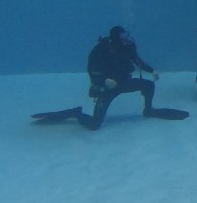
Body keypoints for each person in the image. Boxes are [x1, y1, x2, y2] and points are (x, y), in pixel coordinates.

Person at [31, 26, 188, 129]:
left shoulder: (127, 47)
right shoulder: (102, 49)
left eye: (126, 35)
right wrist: (103, 81)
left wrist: (151, 70)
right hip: (107, 88)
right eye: (123, 36)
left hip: (124, 82)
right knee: (94, 125)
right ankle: (76, 113)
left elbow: (137, 61)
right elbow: (92, 69)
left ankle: (148, 110)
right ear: (116, 37)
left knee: (148, 85)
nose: (126, 38)